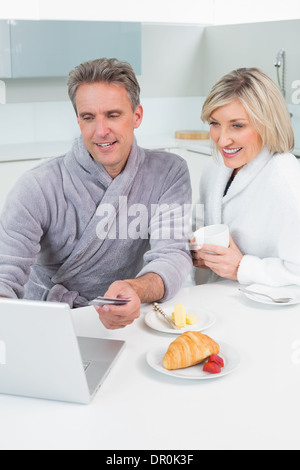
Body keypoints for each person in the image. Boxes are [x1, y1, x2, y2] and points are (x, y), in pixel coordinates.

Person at [0, 58, 192, 329]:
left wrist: (135, 289)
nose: (101, 131)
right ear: (78, 120)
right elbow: (5, 276)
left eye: (113, 115)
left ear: (137, 116)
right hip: (51, 321)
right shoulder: (36, 187)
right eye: (88, 117)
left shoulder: (168, 173)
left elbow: (172, 255)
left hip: (129, 317)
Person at [192, 67, 300, 287]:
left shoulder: (286, 181)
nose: (222, 141)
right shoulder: (214, 167)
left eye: (237, 126)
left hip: (268, 312)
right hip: (219, 300)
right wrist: (195, 251)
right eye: (215, 124)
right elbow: (200, 223)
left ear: (267, 124)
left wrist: (243, 267)